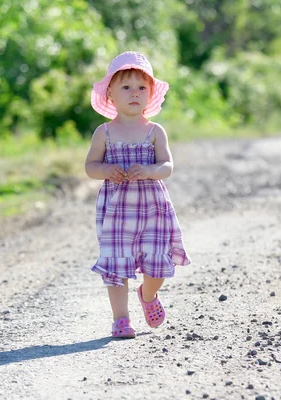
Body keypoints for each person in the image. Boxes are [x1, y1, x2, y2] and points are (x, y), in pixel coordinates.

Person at [84, 51, 191, 339]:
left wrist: (150, 170)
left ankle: (148, 293)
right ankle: (121, 319)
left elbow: (167, 166)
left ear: (150, 94)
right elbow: (90, 166)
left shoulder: (155, 132)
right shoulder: (104, 133)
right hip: (117, 210)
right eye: (126, 87)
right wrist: (107, 169)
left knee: (156, 262)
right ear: (110, 94)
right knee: (117, 262)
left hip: (152, 207)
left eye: (142, 87)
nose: (135, 93)